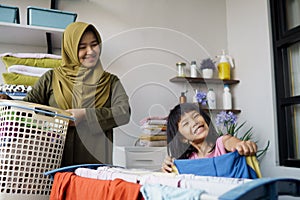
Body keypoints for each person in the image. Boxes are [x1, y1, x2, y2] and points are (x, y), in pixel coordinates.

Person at [0, 22, 131, 166]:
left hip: (95, 165)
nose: (91, 51)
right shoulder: (52, 78)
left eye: (94, 44)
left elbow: (123, 113)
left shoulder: (110, 81)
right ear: (70, 49)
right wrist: (6, 99)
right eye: (82, 47)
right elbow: (26, 109)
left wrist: (85, 115)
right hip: (55, 163)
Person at [162, 103, 257, 173]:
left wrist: (241, 145)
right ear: (183, 139)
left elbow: (231, 142)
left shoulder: (221, 143)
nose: (194, 122)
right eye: (186, 123)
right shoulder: (188, 162)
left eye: (196, 116)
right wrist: (168, 167)